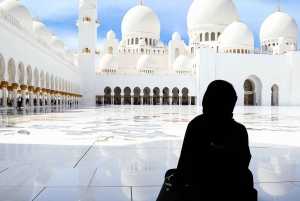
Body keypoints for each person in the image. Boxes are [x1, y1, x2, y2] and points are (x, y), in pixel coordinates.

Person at [173, 80, 257, 201]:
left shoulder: (196, 125)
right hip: (233, 192)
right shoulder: (240, 130)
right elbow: (245, 161)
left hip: (201, 192)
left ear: (207, 100)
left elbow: (185, 162)